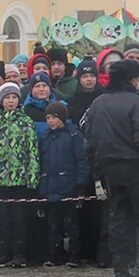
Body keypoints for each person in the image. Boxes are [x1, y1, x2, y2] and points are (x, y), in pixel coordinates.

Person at [82, 59, 139, 277]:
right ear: (133, 78)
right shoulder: (136, 101)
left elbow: (89, 140)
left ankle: (121, 270)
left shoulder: (98, 102)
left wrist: (97, 169)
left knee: (118, 217)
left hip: (109, 168)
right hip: (135, 166)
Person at [0, 82, 40, 268]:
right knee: (2, 220)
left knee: (20, 219)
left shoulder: (26, 122)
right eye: (7, 97)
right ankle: (2, 252)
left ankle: (19, 253)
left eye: (14, 97)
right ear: (1, 100)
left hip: (20, 180)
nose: (11, 101)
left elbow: (33, 151)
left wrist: (32, 177)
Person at [38, 101, 88, 267]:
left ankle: (75, 255)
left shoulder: (74, 135)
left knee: (72, 224)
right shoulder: (45, 137)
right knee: (53, 225)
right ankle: (54, 254)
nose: (50, 121)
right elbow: (42, 163)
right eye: (48, 118)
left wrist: (81, 183)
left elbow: (82, 161)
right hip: (50, 187)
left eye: (53, 117)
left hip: (69, 187)